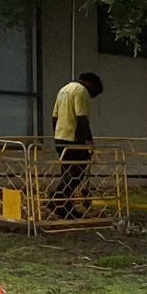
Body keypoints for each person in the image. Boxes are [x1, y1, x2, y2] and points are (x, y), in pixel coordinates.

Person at [50, 70, 103, 217]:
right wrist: (89, 141)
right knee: (76, 174)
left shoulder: (63, 90)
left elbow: (54, 117)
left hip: (60, 137)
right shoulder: (81, 91)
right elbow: (82, 118)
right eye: (94, 92)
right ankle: (56, 200)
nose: (92, 95)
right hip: (74, 139)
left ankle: (64, 205)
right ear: (90, 84)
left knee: (67, 173)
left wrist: (57, 134)